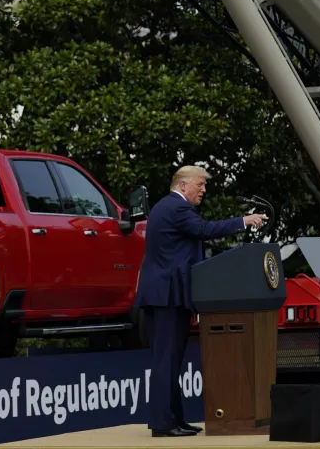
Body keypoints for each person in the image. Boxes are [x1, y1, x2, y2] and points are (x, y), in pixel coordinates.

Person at [134, 165, 267, 438]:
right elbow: (205, 230)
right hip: (166, 296)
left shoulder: (167, 207)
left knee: (171, 361)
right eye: (200, 184)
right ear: (182, 185)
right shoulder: (177, 208)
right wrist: (244, 221)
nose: (204, 190)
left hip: (166, 294)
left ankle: (175, 421)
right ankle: (163, 424)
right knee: (166, 362)